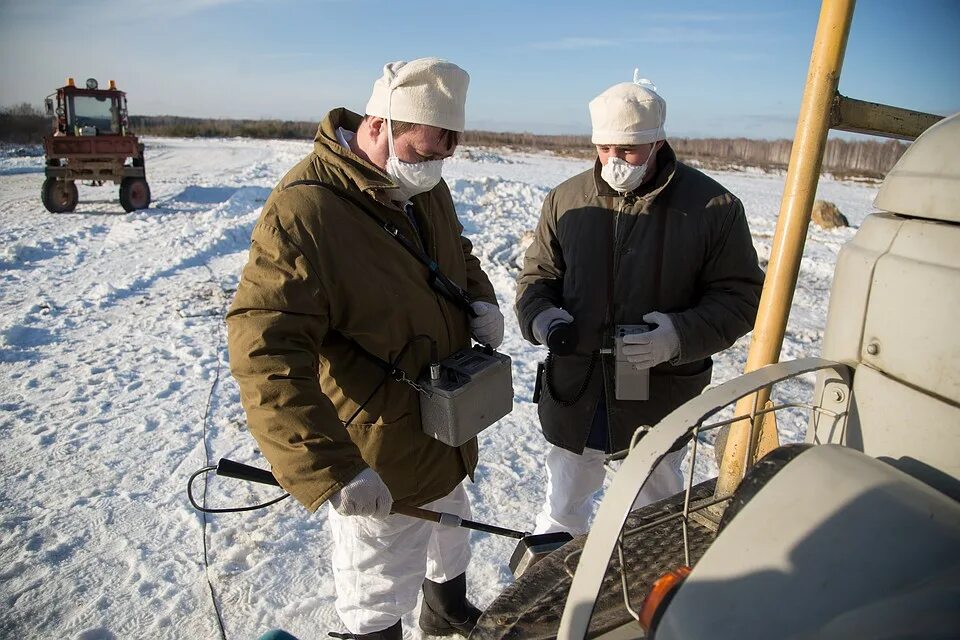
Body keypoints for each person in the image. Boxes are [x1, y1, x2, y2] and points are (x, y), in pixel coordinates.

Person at [227, 58, 504, 640]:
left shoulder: (419, 184)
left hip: (446, 423)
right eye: (426, 152)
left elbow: (457, 252)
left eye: (445, 154)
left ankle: (446, 609)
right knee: (377, 584)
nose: (434, 167)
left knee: (450, 522)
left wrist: (479, 300)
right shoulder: (306, 212)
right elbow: (265, 354)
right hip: (379, 448)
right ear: (381, 124)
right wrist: (333, 470)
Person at [515, 73, 764, 536]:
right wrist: (541, 317)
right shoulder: (566, 199)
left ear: (656, 142)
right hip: (577, 389)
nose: (614, 160)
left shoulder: (714, 206)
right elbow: (537, 278)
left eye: (627, 150)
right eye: (604, 148)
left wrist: (678, 336)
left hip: (658, 394)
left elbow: (742, 295)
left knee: (654, 516)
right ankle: (559, 589)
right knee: (562, 505)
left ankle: (641, 597)